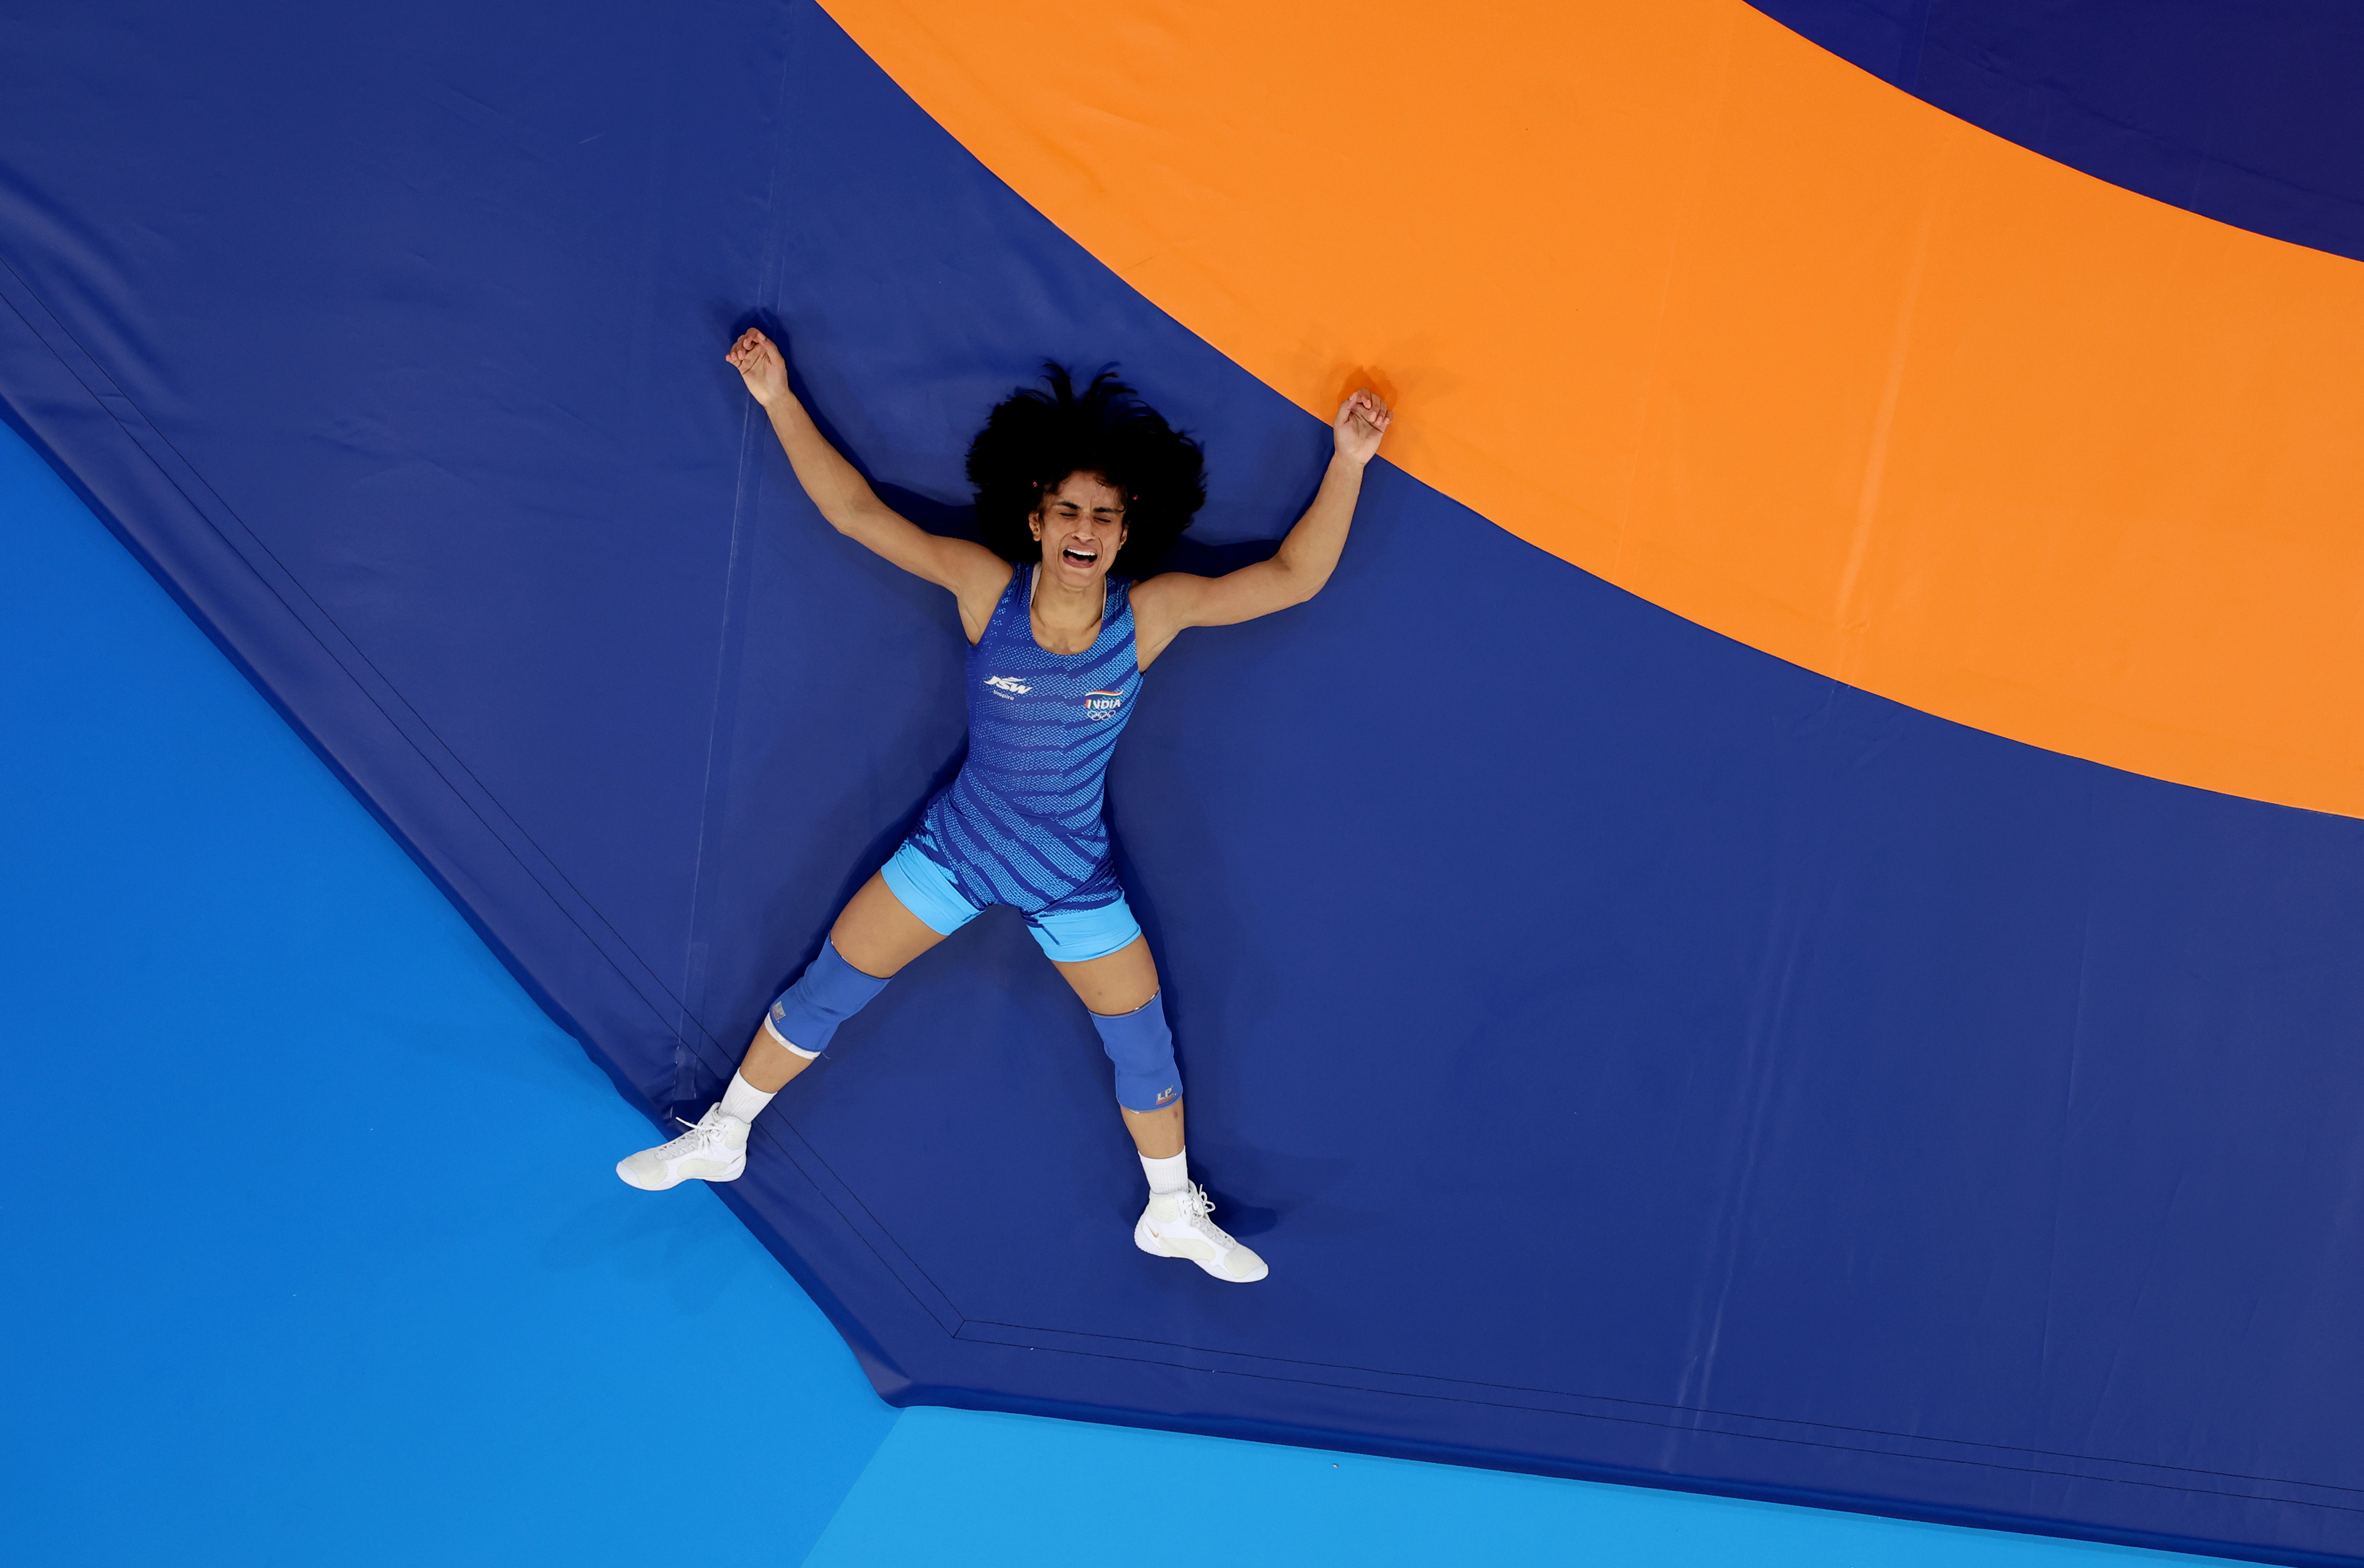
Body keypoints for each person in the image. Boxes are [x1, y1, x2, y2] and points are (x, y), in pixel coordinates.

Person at [616, 326, 1391, 1284]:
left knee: (1143, 1045)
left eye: (1103, 516)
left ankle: (1169, 1213)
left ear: (1124, 530)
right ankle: (724, 1136)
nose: (1084, 529)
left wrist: (1348, 462)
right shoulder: (987, 592)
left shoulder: (1151, 615)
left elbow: (1292, 578)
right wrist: (776, 397)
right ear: (1035, 520)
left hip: (1074, 879)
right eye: (1068, 510)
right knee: (827, 990)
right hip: (955, 853)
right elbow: (856, 513)